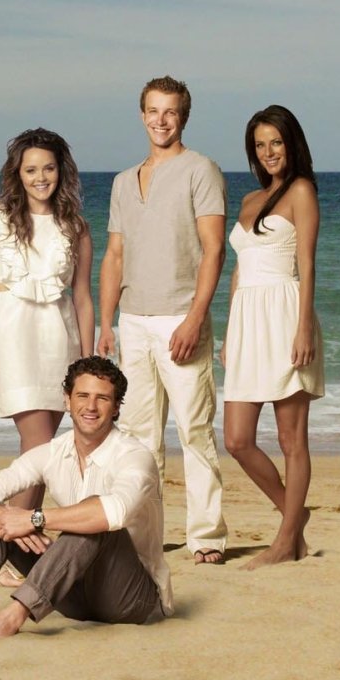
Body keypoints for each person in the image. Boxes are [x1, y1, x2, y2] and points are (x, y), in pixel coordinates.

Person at [0, 356, 173, 644]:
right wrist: (0, 516)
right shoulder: (53, 452)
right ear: (67, 400)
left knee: (94, 520)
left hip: (130, 597)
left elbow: (114, 512)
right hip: (69, 591)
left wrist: (33, 518)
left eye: (102, 398)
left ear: (116, 406)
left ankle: (13, 616)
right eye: (82, 396)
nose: (90, 407)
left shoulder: (134, 455)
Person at [97, 76, 230, 564]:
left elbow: (214, 249)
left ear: (184, 116)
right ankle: (141, 535)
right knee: (137, 437)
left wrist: (195, 318)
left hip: (180, 317)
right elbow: (114, 255)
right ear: (142, 115)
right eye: (153, 111)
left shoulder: (202, 170)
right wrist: (107, 321)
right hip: (132, 322)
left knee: (195, 431)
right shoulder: (122, 181)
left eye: (170, 111)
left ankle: (206, 537)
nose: (161, 120)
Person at [222, 105, 325, 568]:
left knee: (291, 440)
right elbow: (239, 271)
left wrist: (304, 326)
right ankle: (293, 518)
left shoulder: (301, 191)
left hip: (285, 316)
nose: (268, 152)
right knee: (237, 439)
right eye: (260, 145)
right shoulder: (247, 201)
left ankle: (284, 543)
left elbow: (307, 264)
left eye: (276, 143)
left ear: (292, 144)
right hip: (247, 323)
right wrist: (228, 334)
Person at [0, 127, 94, 472]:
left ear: (61, 170)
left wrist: (87, 361)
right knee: (40, 446)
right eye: (31, 170)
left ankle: (21, 525)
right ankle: (15, 525)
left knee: (43, 448)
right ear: (18, 174)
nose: (41, 177)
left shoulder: (77, 227)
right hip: (13, 337)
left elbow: (82, 298)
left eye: (49, 168)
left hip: (59, 337)